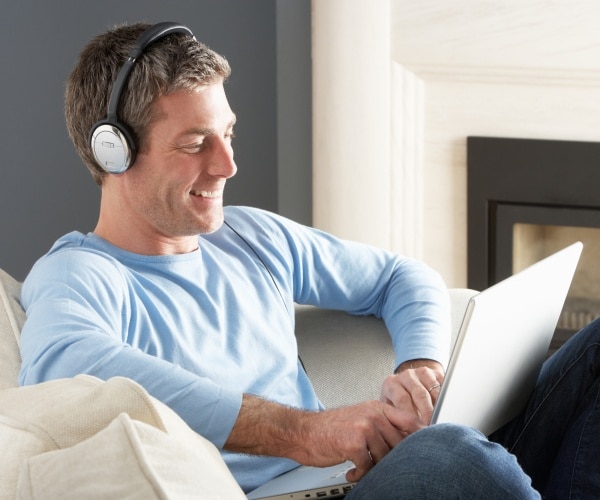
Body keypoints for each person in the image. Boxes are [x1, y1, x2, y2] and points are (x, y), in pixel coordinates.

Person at [17, 22, 599, 498]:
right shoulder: (82, 272)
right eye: (196, 144)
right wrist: (301, 432)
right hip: (298, 495)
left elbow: (401, 276)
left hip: (362, 475)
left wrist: (418, 364)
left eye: (229, 135)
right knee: (451, 454)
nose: (226, 166)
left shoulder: (248, 236)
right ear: (113, 153)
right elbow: (64, 371)